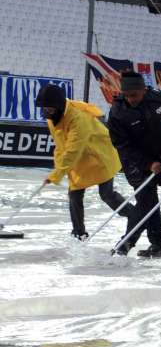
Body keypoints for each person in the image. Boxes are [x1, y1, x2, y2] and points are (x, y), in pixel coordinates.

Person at [107, 71, 161, 257]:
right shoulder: (118, 113)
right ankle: (126, 243)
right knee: (146, 199)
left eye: (135, 95)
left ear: (144, 90)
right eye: (127, 95)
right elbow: (122, 145)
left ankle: (159, 244)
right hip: (135, 162)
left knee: (150, 200)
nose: (131, 99)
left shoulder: (160, 98)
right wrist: (148, 164)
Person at [35, 83, 135, 240]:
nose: (46, 111)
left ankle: (133, 214)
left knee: (106, 194)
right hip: (80, 160)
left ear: (59, 106)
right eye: (44, 108)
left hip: (99, 155)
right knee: (74, 194)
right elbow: (61, 145)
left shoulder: (78, 117)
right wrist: (58, 169)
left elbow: (74, 148)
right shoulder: (52, 118)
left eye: (49, 108)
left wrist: (58, 173)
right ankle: (79, 233)